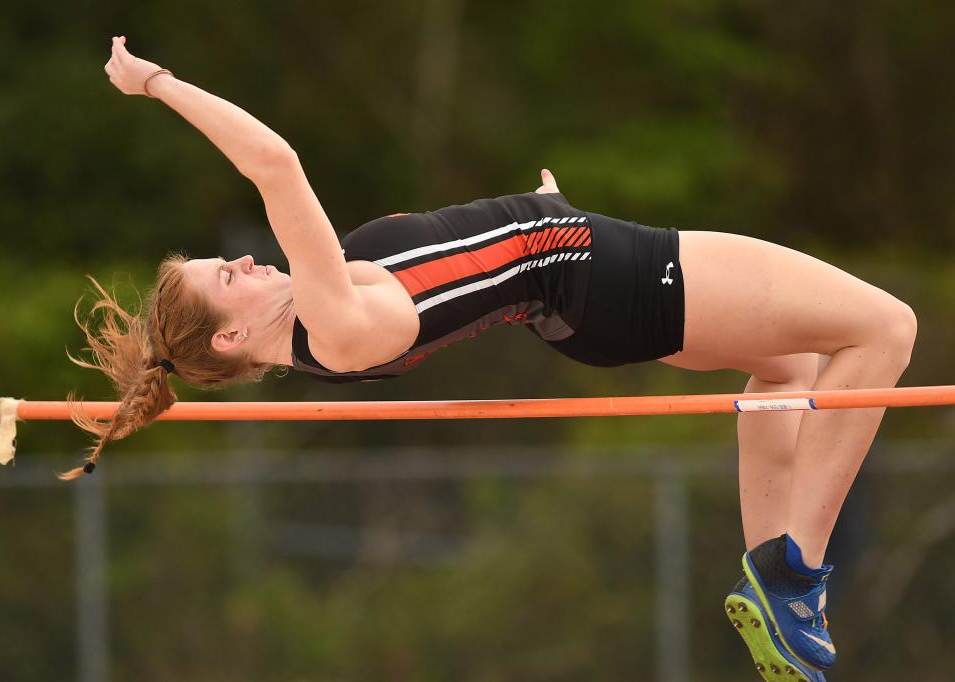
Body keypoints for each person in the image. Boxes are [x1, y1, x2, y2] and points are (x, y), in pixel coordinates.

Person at [83, 36, 916, 681]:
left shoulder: (325, 306)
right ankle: (792, 575)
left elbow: (460, 259)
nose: (250, 263)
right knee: (884, 328)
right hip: (605, 275)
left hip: (581, 299)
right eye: (228, 276)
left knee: (787, 369)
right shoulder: (328, 317)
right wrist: (155, 82)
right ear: (228, 338)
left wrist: (539, 210)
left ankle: (773, 585)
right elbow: (275, 163)